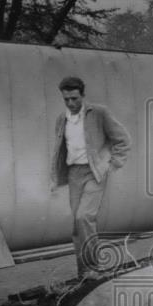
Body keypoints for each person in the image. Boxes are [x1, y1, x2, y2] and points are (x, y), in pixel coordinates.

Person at [50, 76, 132, 281]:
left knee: (83, 217)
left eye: (74, 98)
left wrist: (111, 165)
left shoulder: (99, 113)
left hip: (94, 172)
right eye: (66, 99)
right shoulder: (62, 119)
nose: (71, 103)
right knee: (77, 225)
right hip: (73, 173)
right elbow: (61, 149)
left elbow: (123, 140)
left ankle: (94, 267)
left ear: (83, 96)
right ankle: (83, 273)